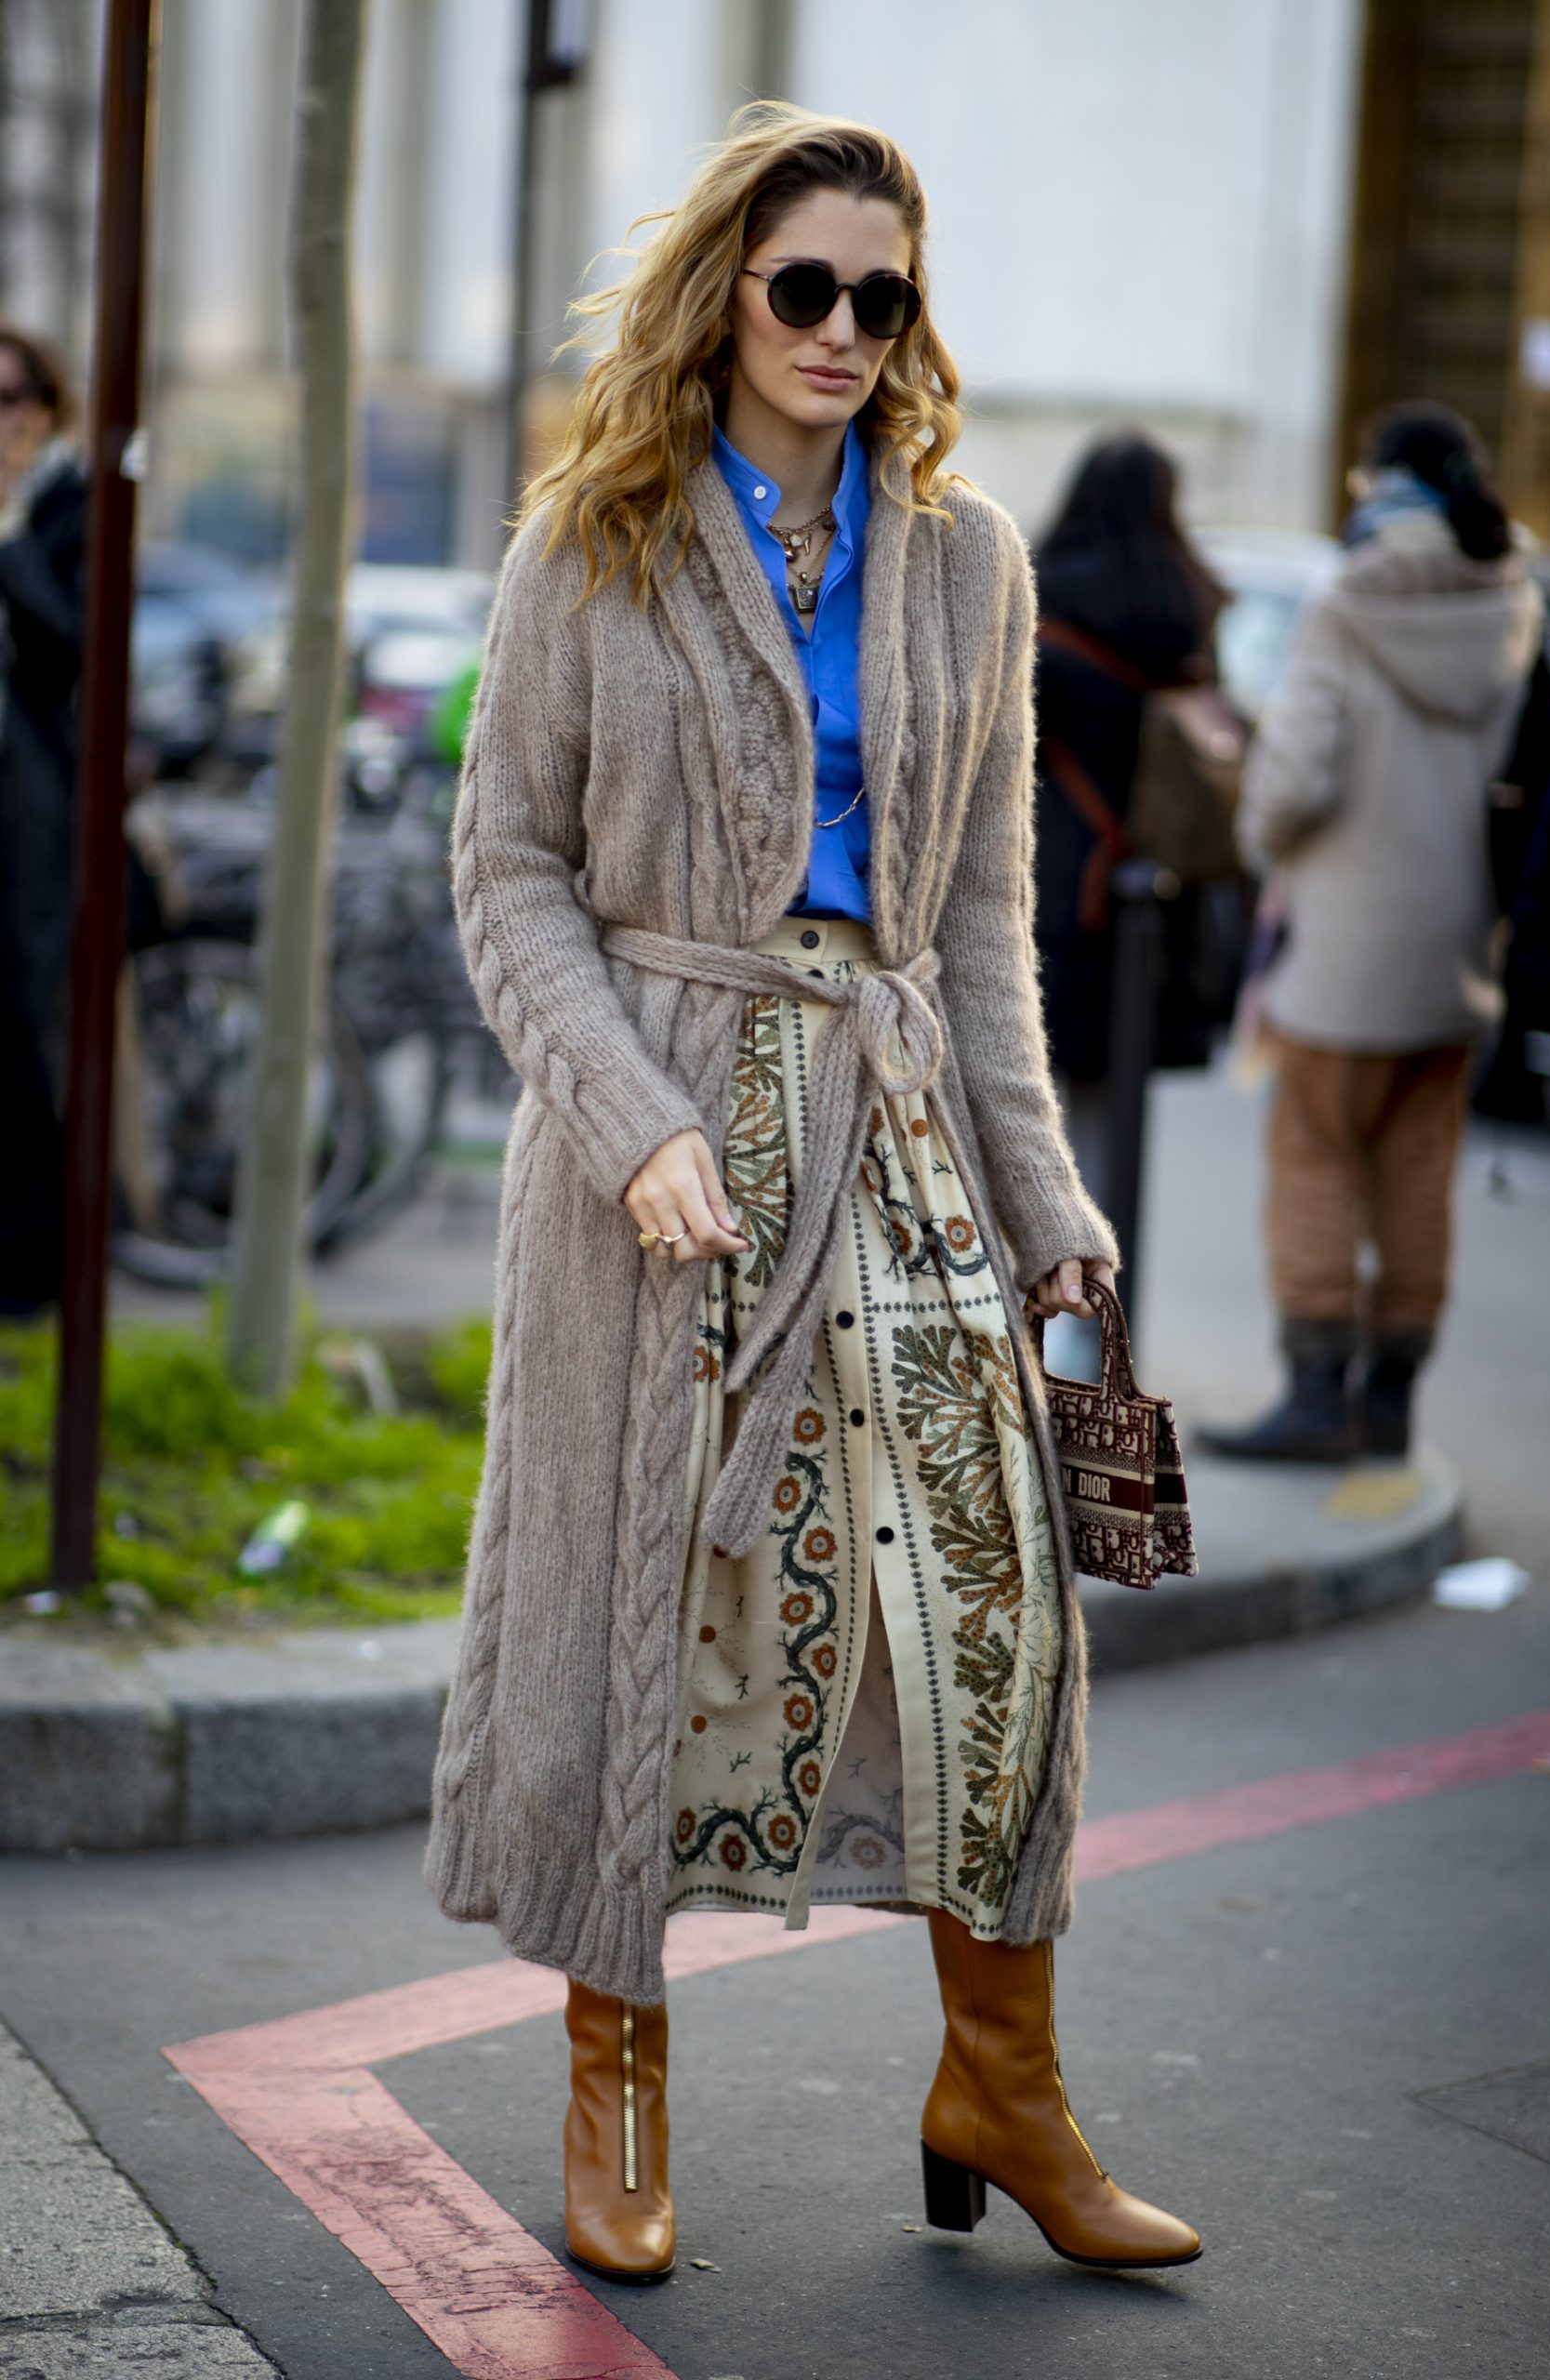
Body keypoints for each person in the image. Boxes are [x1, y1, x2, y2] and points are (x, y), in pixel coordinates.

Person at [424, 105, 1199, 2282]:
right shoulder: (592, 540)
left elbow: (978, 919)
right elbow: (505, 871)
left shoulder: (963, 559)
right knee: (647, 1607)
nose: (848, 329)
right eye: (806, 288)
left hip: (899, 1133)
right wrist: (622, 1114)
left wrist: (1043, 1186)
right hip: (663, 1139)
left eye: (885, 293)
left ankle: (1000, 2080)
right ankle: (614, 2073)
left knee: (995, 1619)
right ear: (723, 296)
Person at [1203, 403, 1541, 1462]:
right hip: (1458, 950)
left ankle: (1314, 1394)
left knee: (1314, 1157)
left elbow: (1290, 779)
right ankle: (1390, 1403)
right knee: (1415, 1169)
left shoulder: (1347, 598)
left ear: (1380, 483)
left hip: (1344, 946)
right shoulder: (1513, 598)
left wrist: (1261, 840)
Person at [1029, 432, 1228, 1172]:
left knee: (1021, 1101)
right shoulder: (1189, 609)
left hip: (1050, 884)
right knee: (1110, 1118)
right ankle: (1103, 1276)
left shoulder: (1040, 599)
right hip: (1153, 891)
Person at [0, 326, 86, 1313]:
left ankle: (32, 1266)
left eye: (18, 396)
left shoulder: (66, 506)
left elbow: (69, 647)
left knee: (20, 1018)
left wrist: (14, 534)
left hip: (31, 808)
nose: (5, 417)